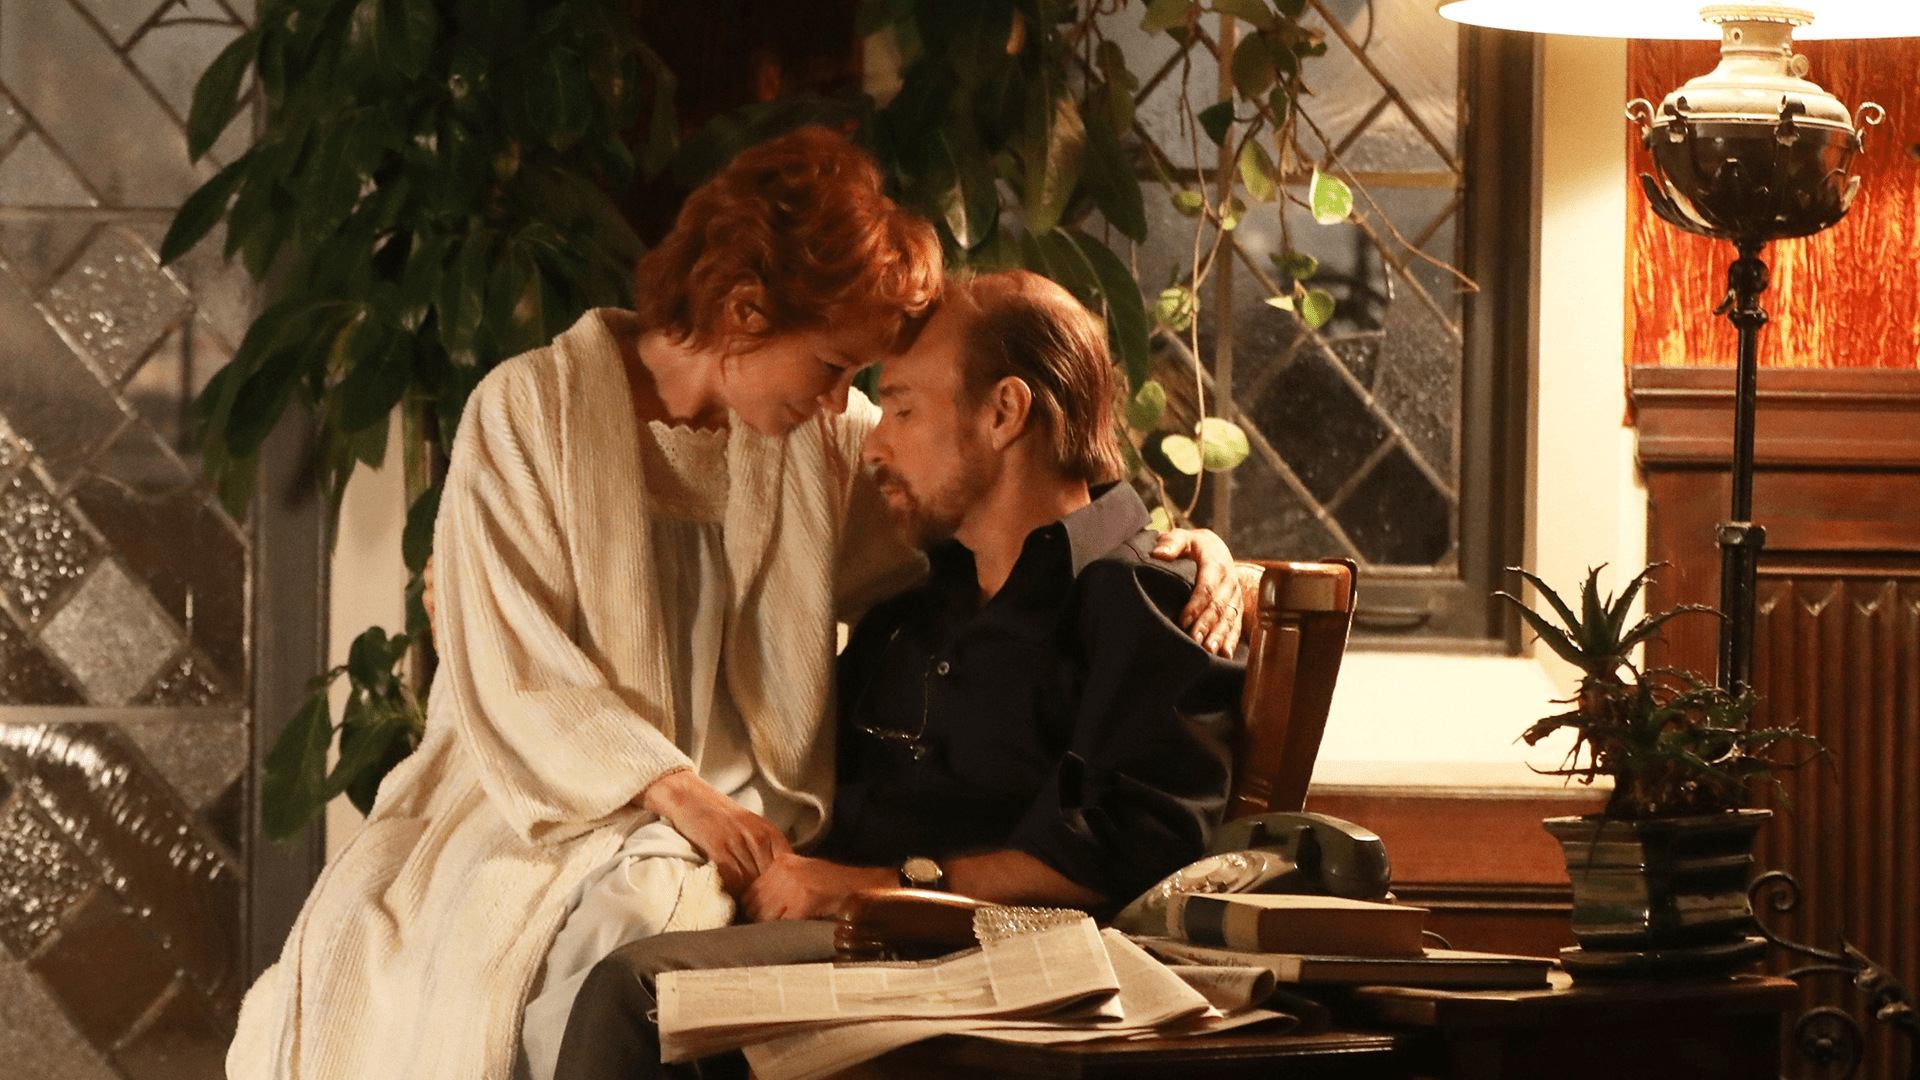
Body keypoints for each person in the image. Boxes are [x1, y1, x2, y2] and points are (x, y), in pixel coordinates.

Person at [229, 128, 1247, 1080]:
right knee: (393, 952)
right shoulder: (531, 408)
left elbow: (1011, 504)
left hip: (751, 831)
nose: (849, 404)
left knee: (630, 929)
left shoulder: (817, 439)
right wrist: (682, 794)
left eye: (865, 382)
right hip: (539, 796)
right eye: (834, 366)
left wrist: (1184, 545)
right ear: (746, 314)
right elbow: (518, 669)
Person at [551, 270, 1246, 1080]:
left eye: (904, 408)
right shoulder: (919, 591)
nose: (874, 443)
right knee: (578, 927)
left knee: (635, 992)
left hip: (974, 960)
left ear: (1004, 412)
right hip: (828, 922)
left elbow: (1137, 842)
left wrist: (878, 887)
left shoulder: (1143, 595)